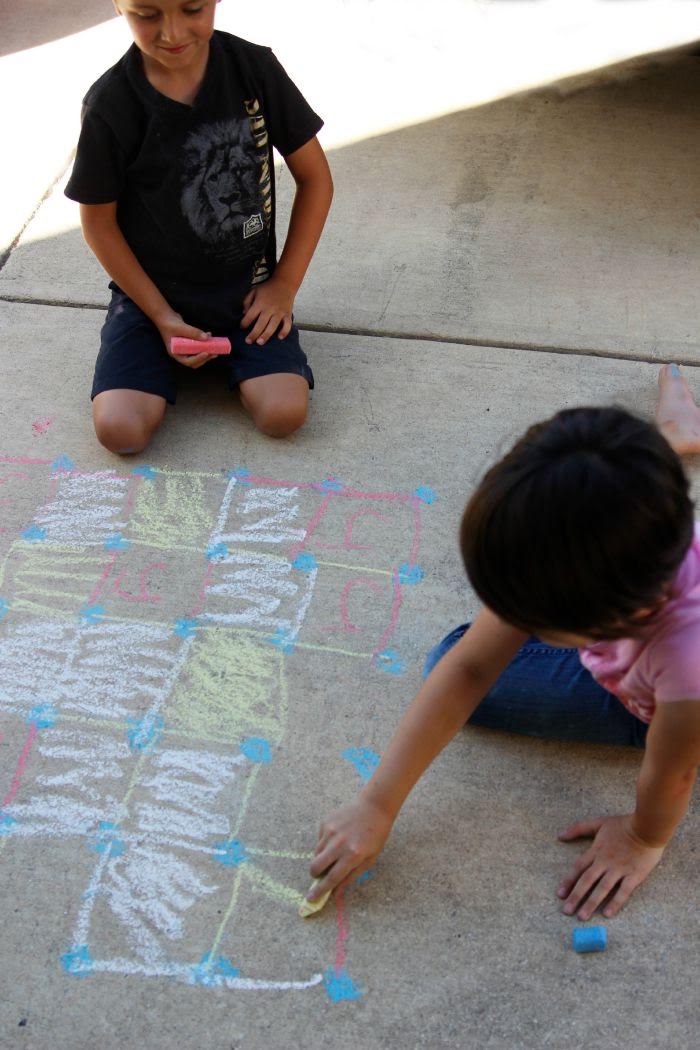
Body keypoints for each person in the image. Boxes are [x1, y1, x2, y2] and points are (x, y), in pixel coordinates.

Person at [309, 393, 700, 921]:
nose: (509, 621)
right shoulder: (616, 543)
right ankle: (679, 429)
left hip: (671, 707)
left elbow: (673, 772)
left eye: (534, 619)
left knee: (469, 674)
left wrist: (642, 837)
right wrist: (377, 803)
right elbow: (471, 665)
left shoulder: (686, 666)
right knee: (460, 660)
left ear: (614, 617)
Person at [65, 0, 333, 453]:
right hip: (152, 302)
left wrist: (284, 285)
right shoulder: (110, 104)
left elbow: (316, 179)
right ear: (118, 6)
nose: (172, 33)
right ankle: (163, 351)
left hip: (248, 297)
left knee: (283, 413)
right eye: (147, 15)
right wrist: (162, 317)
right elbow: (98, 224)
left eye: (192, 8)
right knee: (120, 431)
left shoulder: (253, 69)